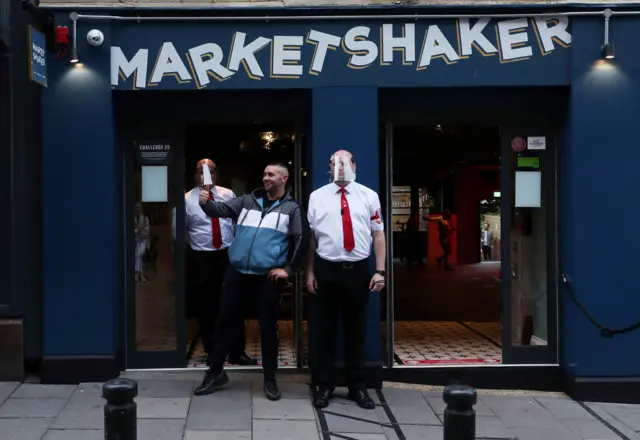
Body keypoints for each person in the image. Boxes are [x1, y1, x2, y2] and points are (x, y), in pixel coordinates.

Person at [193, 161, 309, 400]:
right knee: (224, 322)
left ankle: (270, 379)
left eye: (271, 175)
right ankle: (215, 373)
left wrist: (289, 269)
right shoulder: (247, 201)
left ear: (284, 179)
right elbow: (219, 210)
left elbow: (301, 240)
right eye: (264, 173)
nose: (266, 178)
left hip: (266, 278)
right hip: (237, 273)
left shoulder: (291, 209)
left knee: (268, 328)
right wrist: (205, 203)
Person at [306, 150, 386, 410]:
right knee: (324, 331)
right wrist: (309, 272)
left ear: (354, 164)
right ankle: (324, 385)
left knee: (356, 331)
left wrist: (380, 271)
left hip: (358, 271)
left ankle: (357, 387)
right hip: (326, 269)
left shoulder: (369, 196)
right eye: (334, 162)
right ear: (329, 167)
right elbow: (312, 239)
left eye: (345, 161)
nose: (340, 166)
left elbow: (378, 236)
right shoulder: (317, 197)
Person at [180, 159, 256, 366]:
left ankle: (237, 352)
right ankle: (213, 352)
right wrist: (195, 246)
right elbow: (180, 232)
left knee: (234, 303)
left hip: (228, 255)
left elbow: (236, 222)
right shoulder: (186, 200)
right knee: (206, 307)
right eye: (202, 171)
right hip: (202, 257)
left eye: (212, 171)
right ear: (195, 175)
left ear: (217, 174)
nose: (207, 175)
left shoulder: (228, 194)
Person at [134, 202, 150, 282]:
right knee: (137, 256)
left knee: (139, 255)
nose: (138, 209)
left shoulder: (145, 219)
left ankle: (138, 274)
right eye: (137, 207)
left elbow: (147, 231)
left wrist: (139, 231)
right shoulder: (133, 218)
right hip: (136, 240)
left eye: (140, 207)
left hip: (143, 240)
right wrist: (138, 230)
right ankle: (140, 274)